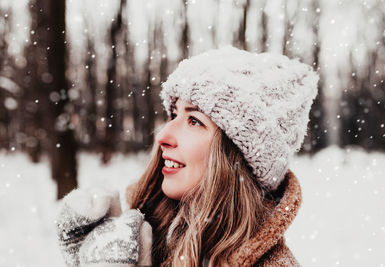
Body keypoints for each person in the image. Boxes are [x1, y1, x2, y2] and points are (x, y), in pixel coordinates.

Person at [56, 45, 318, 267]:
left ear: (237, 158)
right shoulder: (140, 238)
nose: (163, 136)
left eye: (194, 120)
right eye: (174, 115)